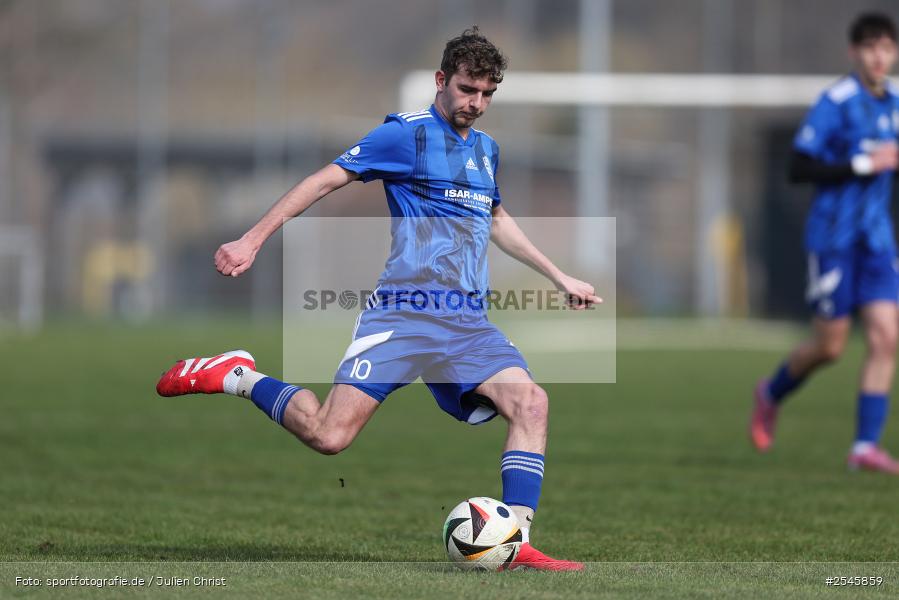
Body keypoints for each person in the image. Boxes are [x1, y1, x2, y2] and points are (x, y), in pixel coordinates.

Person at [156, 27, 600, 569]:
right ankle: (238, 375)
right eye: (467, 90)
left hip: (465, 323)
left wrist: (559, 276)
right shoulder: (403, 137)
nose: (476, 104)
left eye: (487, 94)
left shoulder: (487, 151)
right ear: (441, 81)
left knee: (531, 402)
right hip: (403, 316)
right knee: (328, 436)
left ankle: (516, 541)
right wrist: (252, 238)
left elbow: (495, 220)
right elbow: (323, 181)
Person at [751, 12, 899, 473]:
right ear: (854, 52)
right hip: (832, 238)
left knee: (886, 338)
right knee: (830, 347)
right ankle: (770, 392)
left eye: (887, 47)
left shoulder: (895, 100)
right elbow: (798, 168)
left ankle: (863, 447)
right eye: (870, 47)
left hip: (875, 239)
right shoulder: (835, 102)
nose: (879, 56)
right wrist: (862, 164)